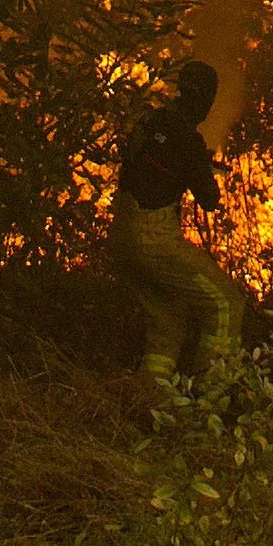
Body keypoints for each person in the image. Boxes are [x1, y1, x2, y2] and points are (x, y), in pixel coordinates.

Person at [103, 59, 243, 383]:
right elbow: (209, 200)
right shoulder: (187, 140)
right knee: (226, 303)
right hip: (154, 240)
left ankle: (152, 396)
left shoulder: (151, 120)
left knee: (168, 314)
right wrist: (203, 168)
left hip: (122, 235)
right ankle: (210, 400)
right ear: (206, 99)